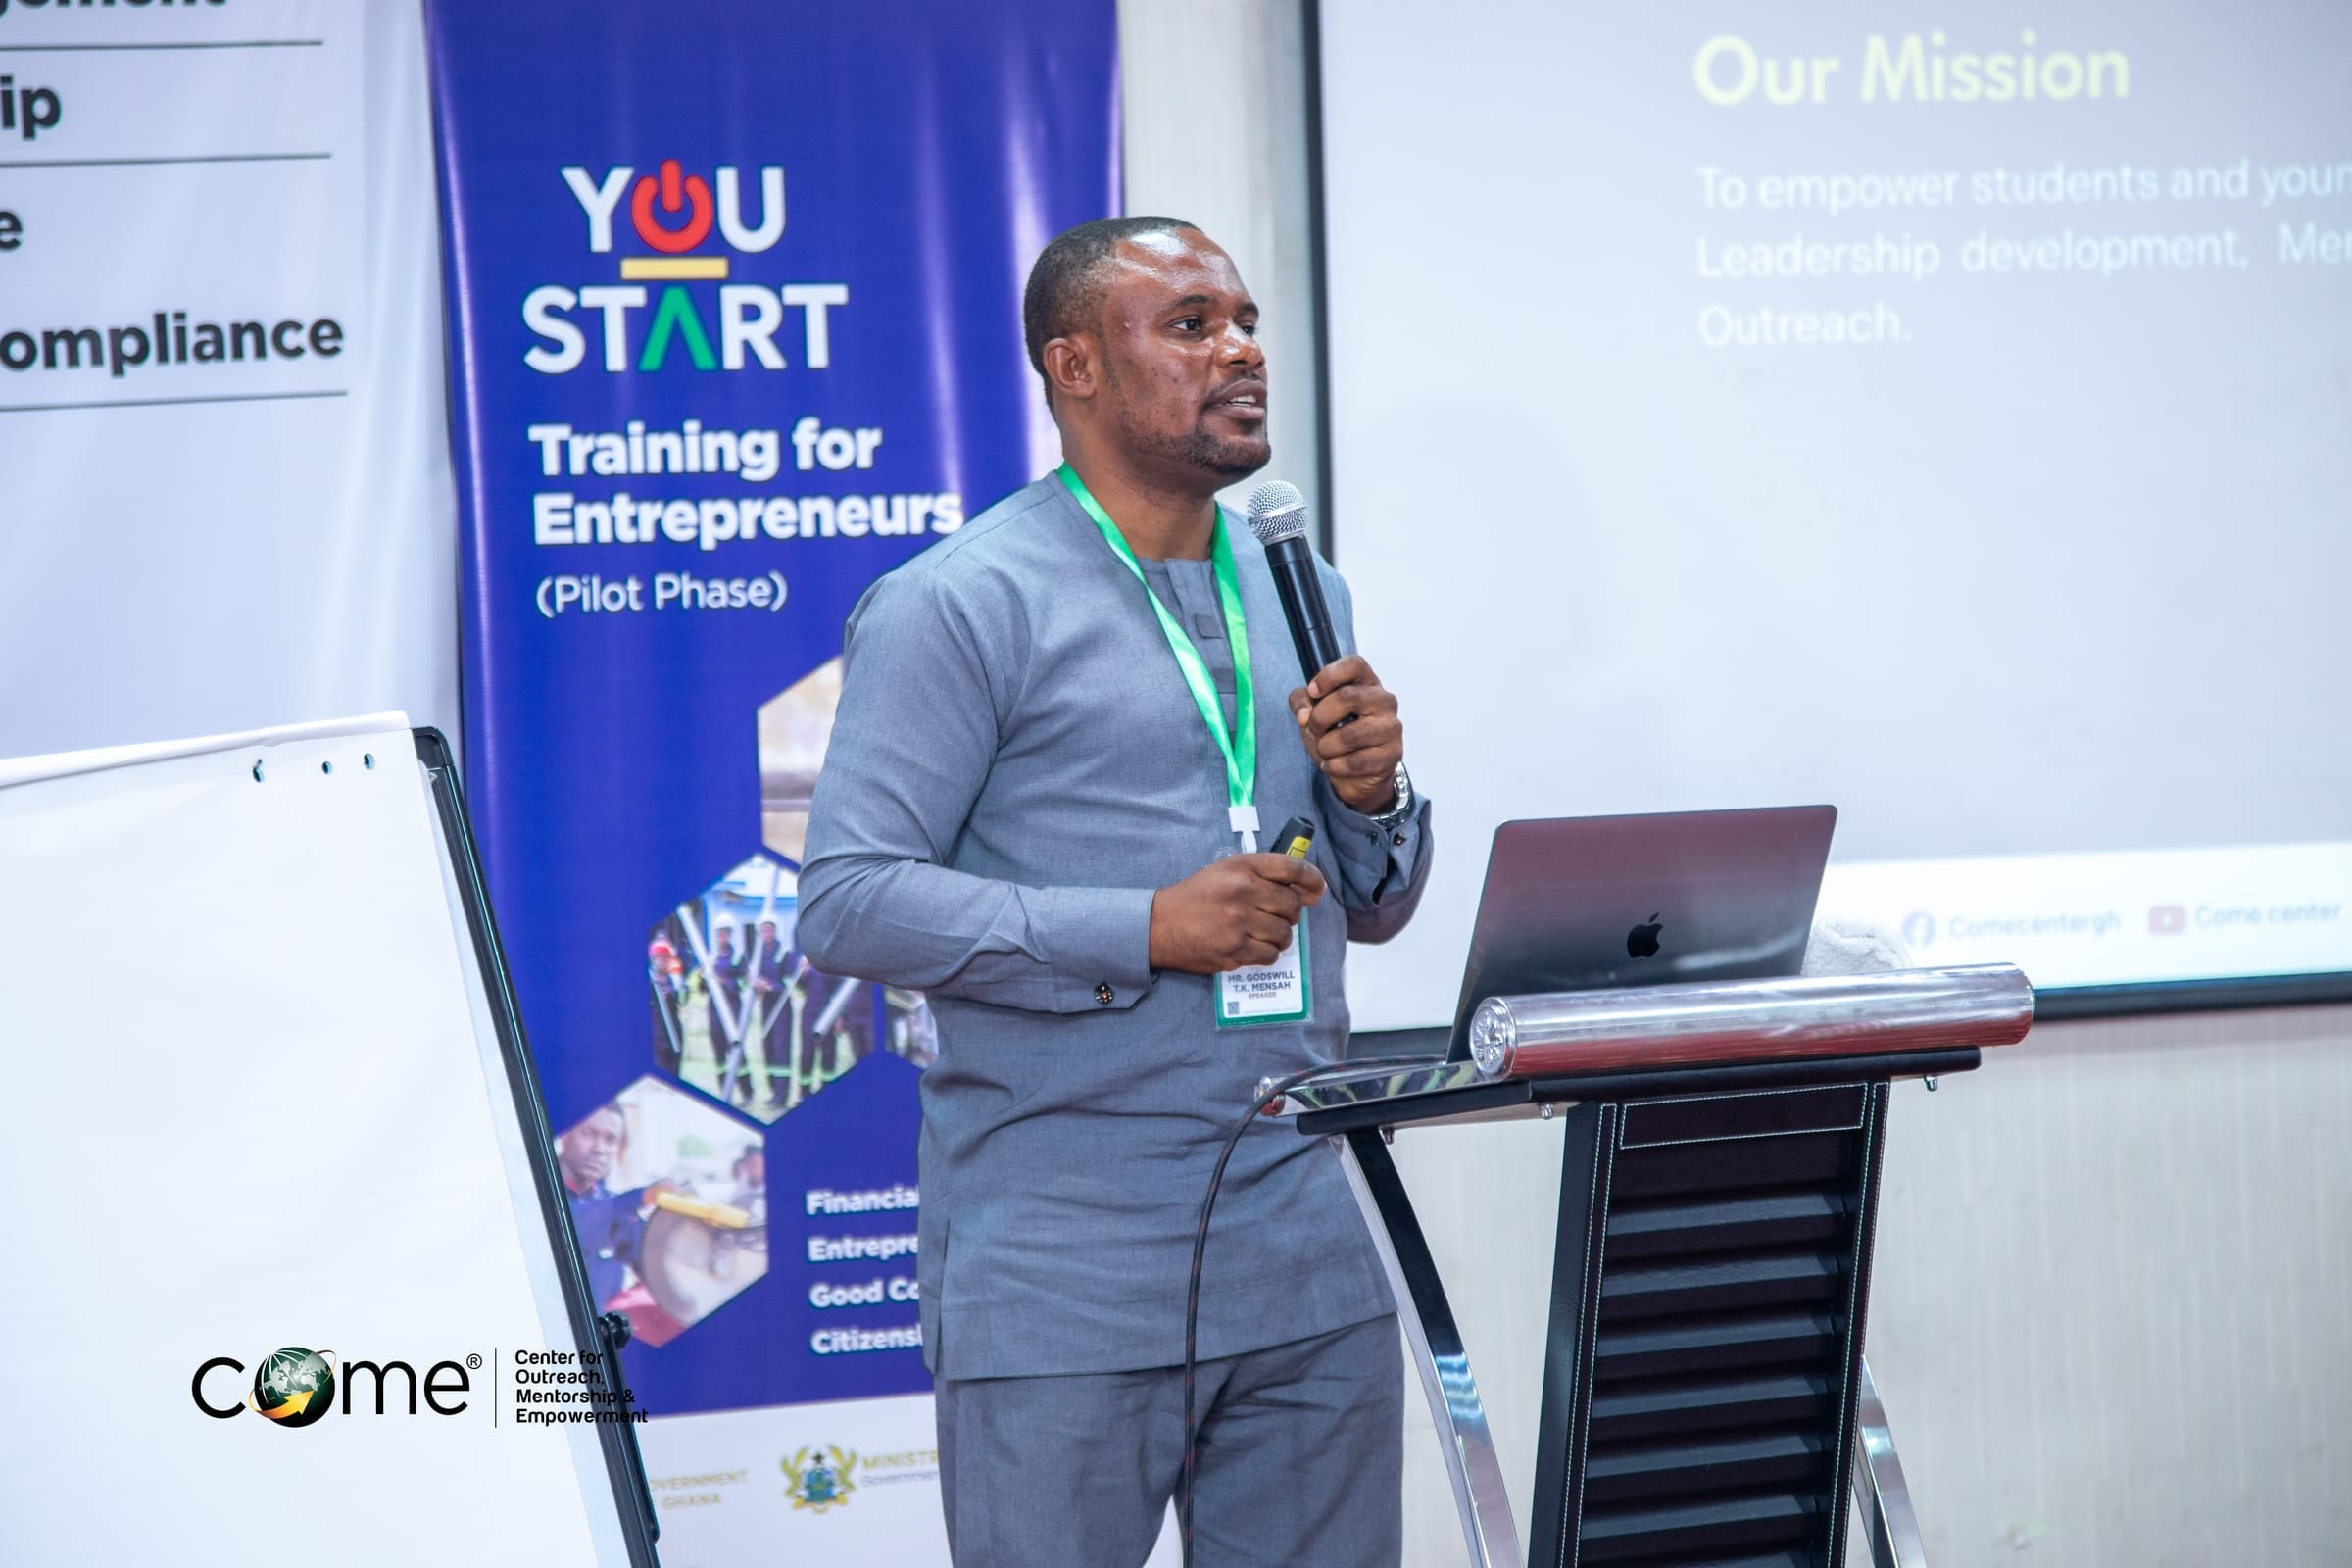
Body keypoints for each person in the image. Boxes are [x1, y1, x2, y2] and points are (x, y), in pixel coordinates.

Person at [799, 216, 1430, 1568]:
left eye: (1246, 320)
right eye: (1192, 324)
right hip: (1062, 1273)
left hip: (1302, 1246)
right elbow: (845, 900)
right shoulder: (959, 604)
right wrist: (1144, 929)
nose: (1242, 350)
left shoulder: (1296, 584)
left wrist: (1375, 800)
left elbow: (1368, 907)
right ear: (1073, 368)